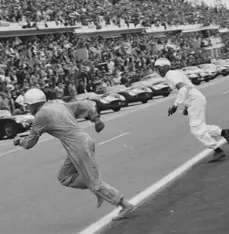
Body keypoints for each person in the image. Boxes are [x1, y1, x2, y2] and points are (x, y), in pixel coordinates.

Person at [13, 88, 136, 217]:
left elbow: (29, 143)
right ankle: (95, 188)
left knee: (95, 184)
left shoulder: (41, 116)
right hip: (81, 143)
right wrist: (96, 118)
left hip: (78, 147)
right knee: (64, 176)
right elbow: (83, 106)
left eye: (27, 106)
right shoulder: (57, 105)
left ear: (33, 104)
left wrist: (19, 141)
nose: (26, 109)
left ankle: (124, 205)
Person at [154, 59, 229, 162]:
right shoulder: (174, 74)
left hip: (195, 101)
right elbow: (188, 87)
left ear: (164, 67)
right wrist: (186, 106)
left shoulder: (171, 75)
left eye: (158, 68)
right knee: (199, 127)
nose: (158, 71)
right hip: (194, 100)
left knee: (196, 129)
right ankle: (223, 132)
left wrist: (175, 105)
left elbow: (183, 89)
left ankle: (218, 150)